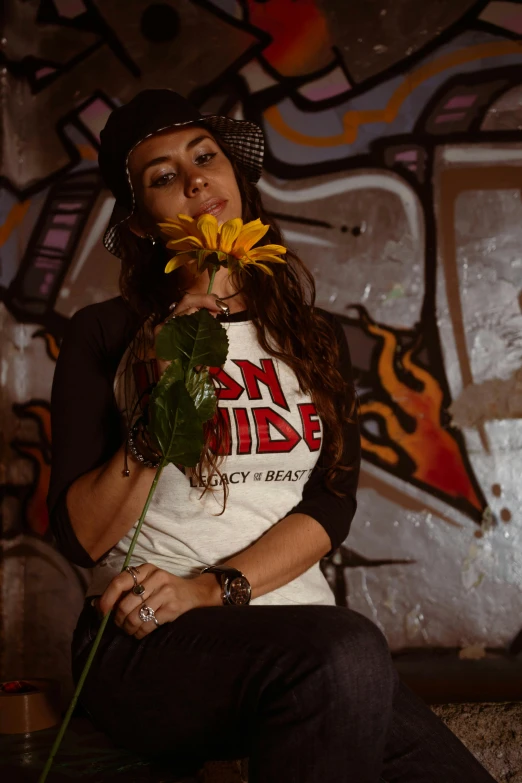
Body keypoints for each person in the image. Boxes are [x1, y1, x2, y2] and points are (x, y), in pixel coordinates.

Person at [48, 90, 495, 783]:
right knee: (345, 653)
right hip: (146, 641)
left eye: (206, 158)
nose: (195, 179)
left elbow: (330, 505)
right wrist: (159, 399)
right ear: (139, 223)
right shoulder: (107, 333)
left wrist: (214, 588)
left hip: (303, 637)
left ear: (237, 185)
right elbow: (83, 535)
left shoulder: (311, 339)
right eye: (164, 176)